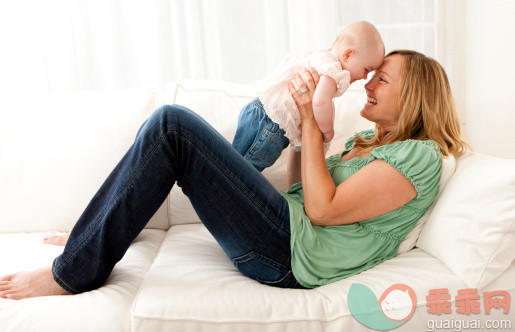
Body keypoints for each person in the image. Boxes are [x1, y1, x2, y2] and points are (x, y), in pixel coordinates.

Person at [0, 49, 471, 300]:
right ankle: (91, 240)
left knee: (172, 125)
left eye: (382, 79)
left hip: (288, 256)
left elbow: (322, 212)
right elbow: (302, 191)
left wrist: (310, 118)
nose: (367, 83)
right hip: (282, 231)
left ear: (416, 97)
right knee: (179, 133)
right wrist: (302, 130)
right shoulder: (363, 145)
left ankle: (73, 272)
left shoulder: (421, 157)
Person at [232, 21, 384, 171]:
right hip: (271, 124)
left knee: (232, 166)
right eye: (366, 70)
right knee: (239, 176)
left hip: (257, 110)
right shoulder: (333, 70)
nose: (365, 78)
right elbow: (320, 102)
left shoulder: (321, 57)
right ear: (348, 54)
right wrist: (328, 130)